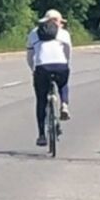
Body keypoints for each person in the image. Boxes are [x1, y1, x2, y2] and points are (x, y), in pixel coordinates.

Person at [29, 8, 73, 147]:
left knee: (41, 99)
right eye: (61, 21)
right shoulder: (64, 33)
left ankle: (41, 135)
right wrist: (66, 63)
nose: (62, 24)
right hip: (61, 66)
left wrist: (33, 69)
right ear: (56, 21)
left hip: (42, 68)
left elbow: (30, 56)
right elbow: (68, 51)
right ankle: (64, 104)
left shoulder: (34, 33)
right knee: (63, 83)